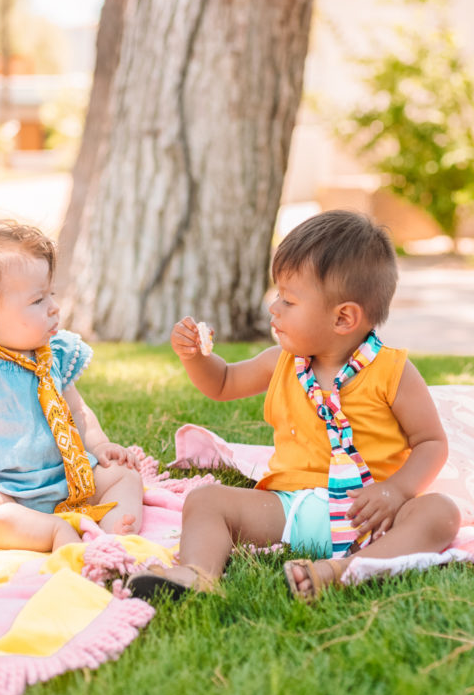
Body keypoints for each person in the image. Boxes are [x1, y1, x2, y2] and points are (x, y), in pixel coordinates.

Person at [127, 209, 460, 601]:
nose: (274, 309)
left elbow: (431, 442)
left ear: (343, 318)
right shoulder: (280, 361)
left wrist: (396, 491)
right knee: (205, 500)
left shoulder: (394, 371)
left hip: (369, 513)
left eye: (287, 300)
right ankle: (197, 573)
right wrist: (195, 358)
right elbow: (223, 382)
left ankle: (340, 572)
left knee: (441, 513)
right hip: (289, 508)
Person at [0, 219, 143, 553]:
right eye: (37, 300)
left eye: (51, 294)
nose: (54, 306)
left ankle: (110, 536)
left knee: (124, 474)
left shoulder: (54, 356)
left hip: (65, 480)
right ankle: (50, 531)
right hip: (1, 490)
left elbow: (77, 410)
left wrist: (100, 445)